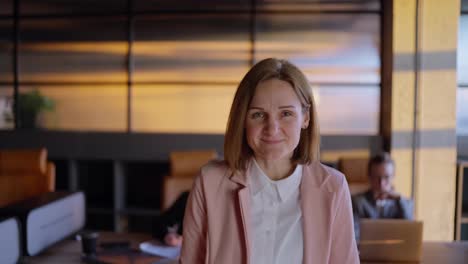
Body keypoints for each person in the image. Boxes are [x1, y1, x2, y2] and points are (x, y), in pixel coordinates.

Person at [180, 58, 359, 263]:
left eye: (286, 114)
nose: (272, 128)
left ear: (306, 118)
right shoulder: (209, 182)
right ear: (242, 120)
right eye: (258, 114)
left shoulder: (334, 187)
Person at [351, 152, 414, 239]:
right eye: (377, 177)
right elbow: (354, 236)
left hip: (395, 251)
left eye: (386, 177)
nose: (381, 183)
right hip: (366, 251)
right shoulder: (357, 202)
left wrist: (399, 199)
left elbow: (411, 232)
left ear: (393, 176)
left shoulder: (404, 203)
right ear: (369, 177)